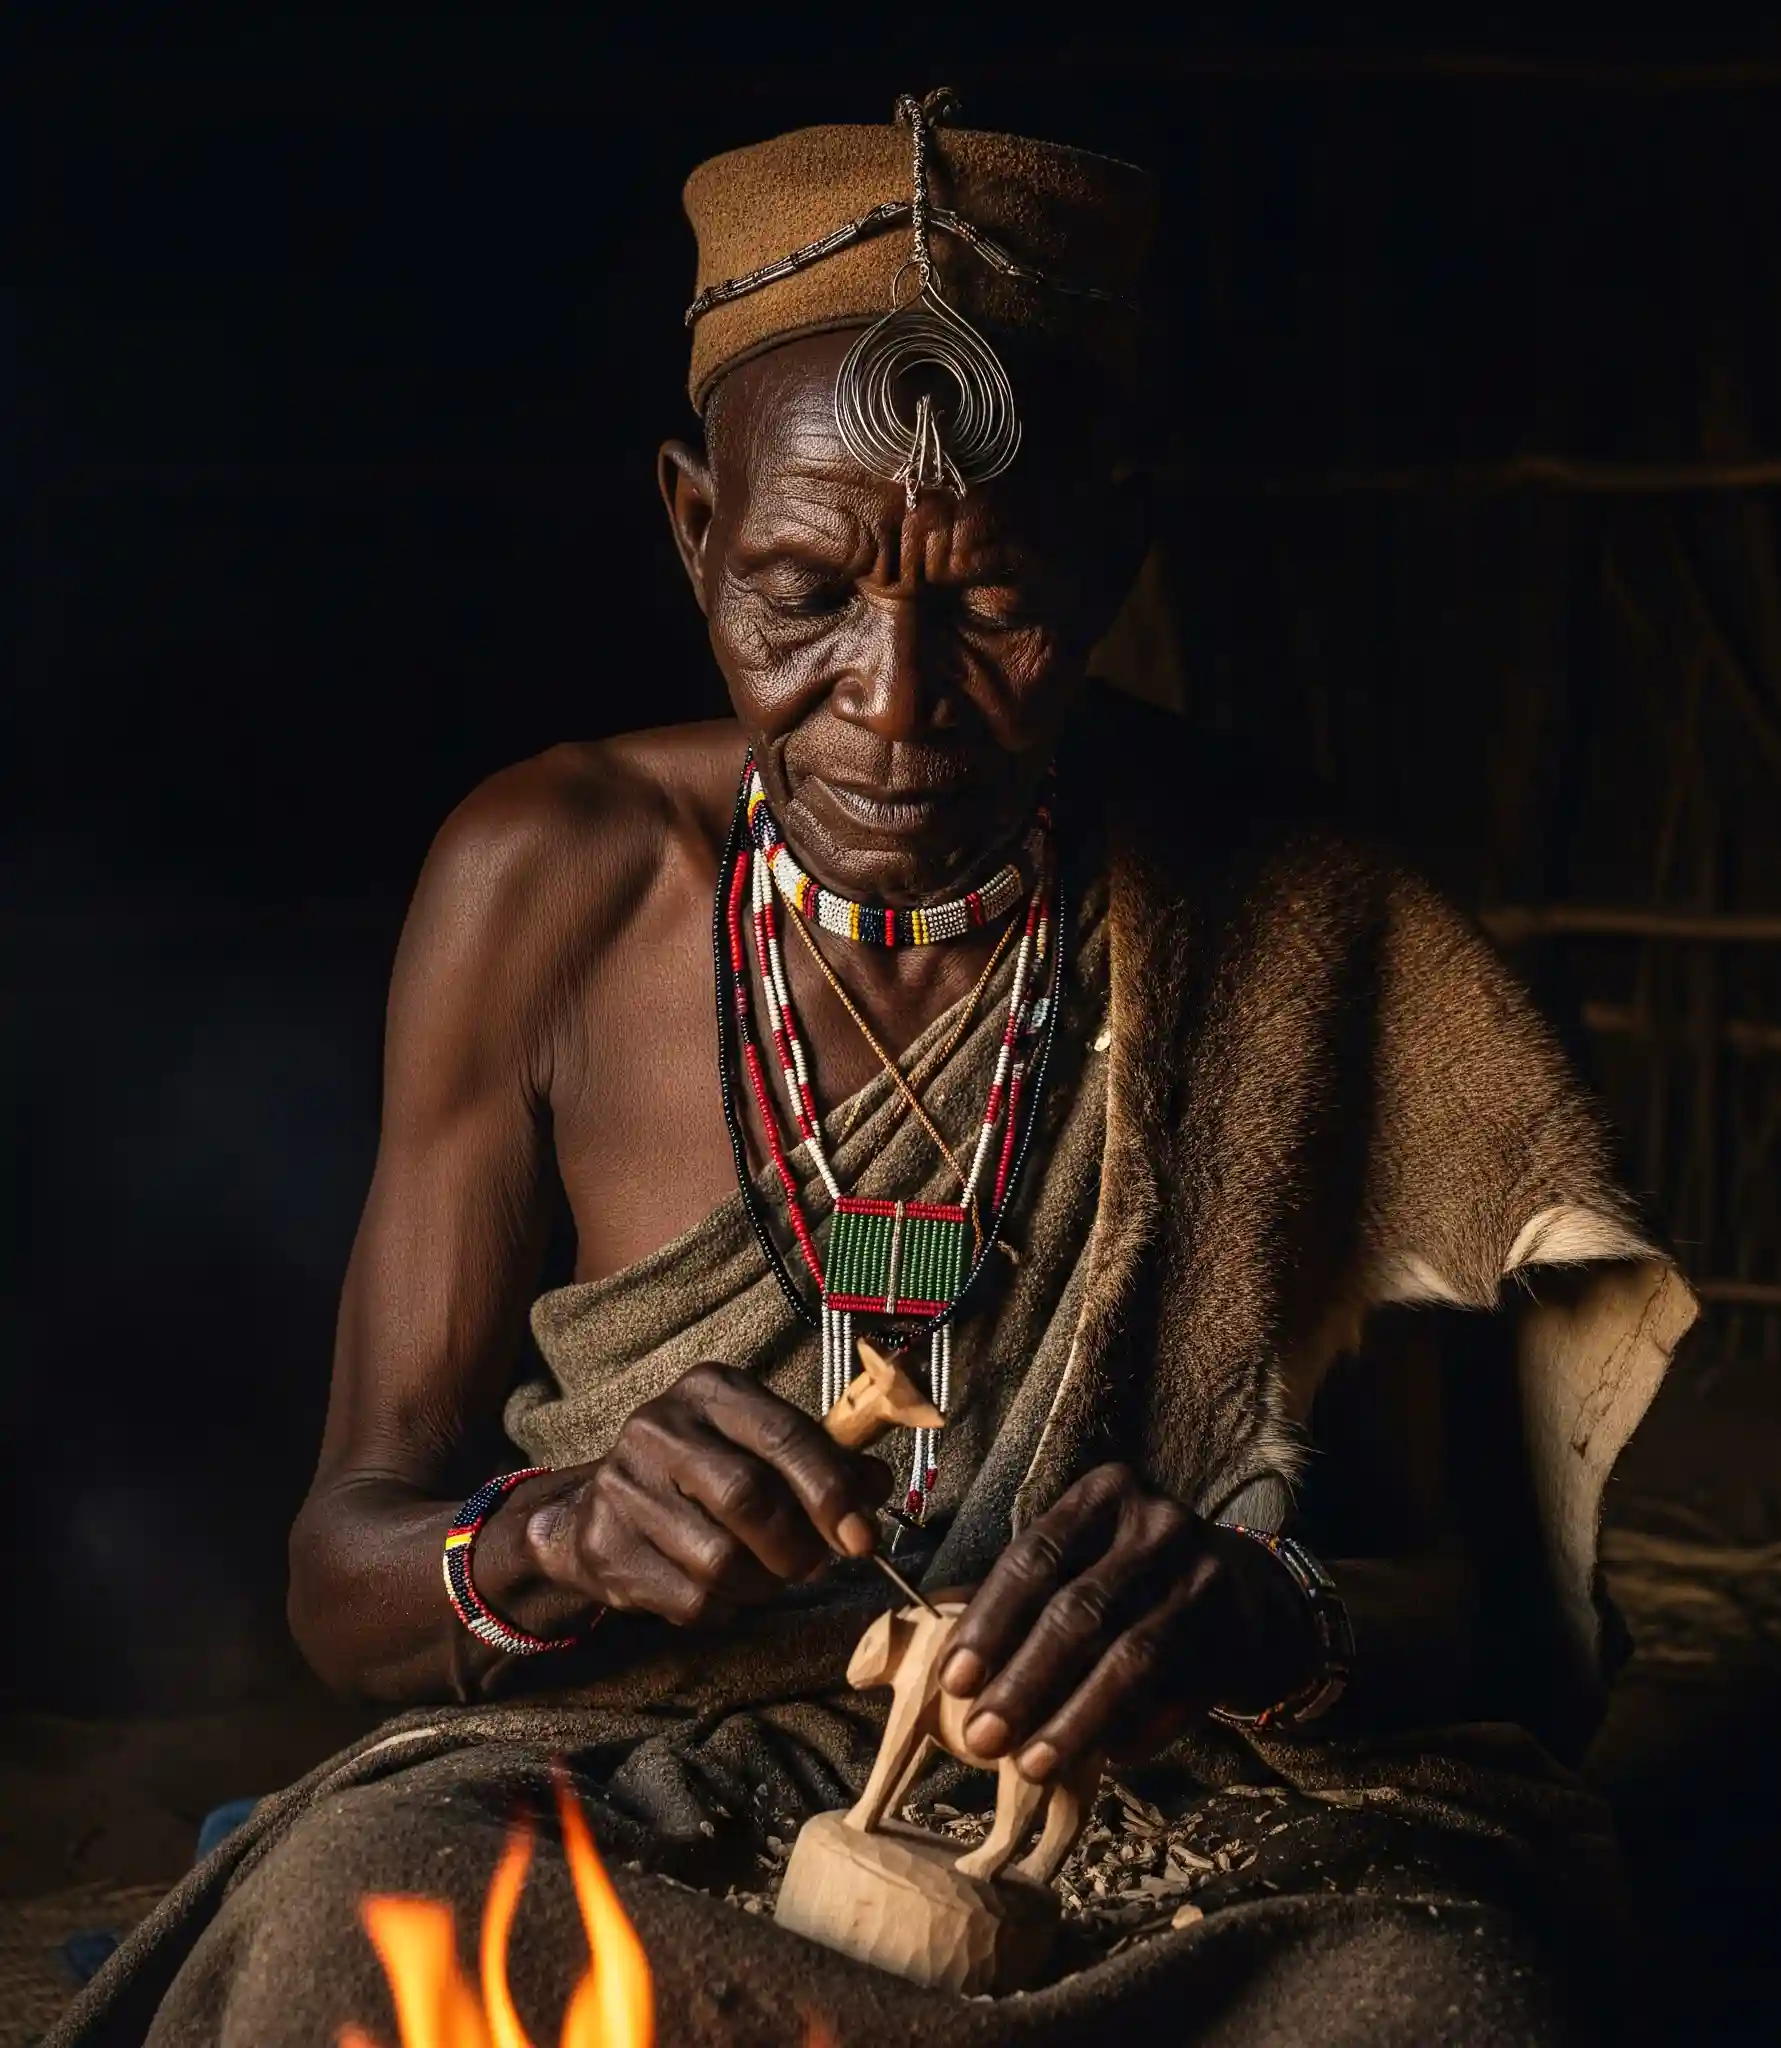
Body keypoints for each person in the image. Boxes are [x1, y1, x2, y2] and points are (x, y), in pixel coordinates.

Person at [53, 93, 1695, 2048]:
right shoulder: (547, 885)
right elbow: (350, 1579)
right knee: (349, 1902)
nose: (894, 708)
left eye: (992, 604)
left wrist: (1264, 1609)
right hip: (652, 1788)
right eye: (805, 592)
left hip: (1187, 1823)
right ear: (691, 525)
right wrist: (559, 1537)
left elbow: (1509, 1634)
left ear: (1111, 550)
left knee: (1438, 1998)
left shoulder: (1310, 924)